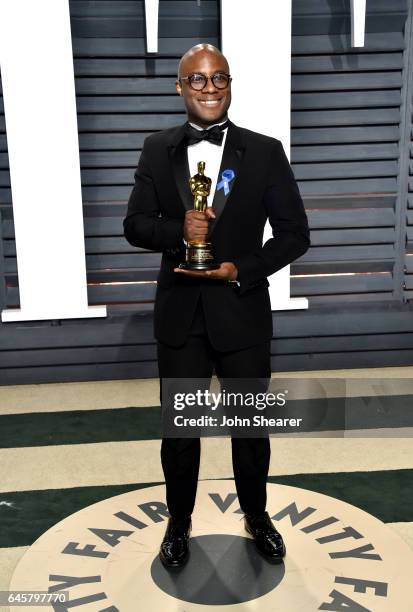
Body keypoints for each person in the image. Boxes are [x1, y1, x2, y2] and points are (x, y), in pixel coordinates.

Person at [123, 43, 310, 568]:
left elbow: (295, 235)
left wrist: (241, 269)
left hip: (243, 314)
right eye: (198, 80)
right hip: (180, 319)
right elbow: (135, 225)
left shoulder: (265, 150)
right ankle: (178, 523)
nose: (210, 88)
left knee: (251, 431)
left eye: (219, 78)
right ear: (179, 87)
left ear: (230, 84)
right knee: (179, 435)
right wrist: (176, 231)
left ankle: (257, 516)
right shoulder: (156, 148)